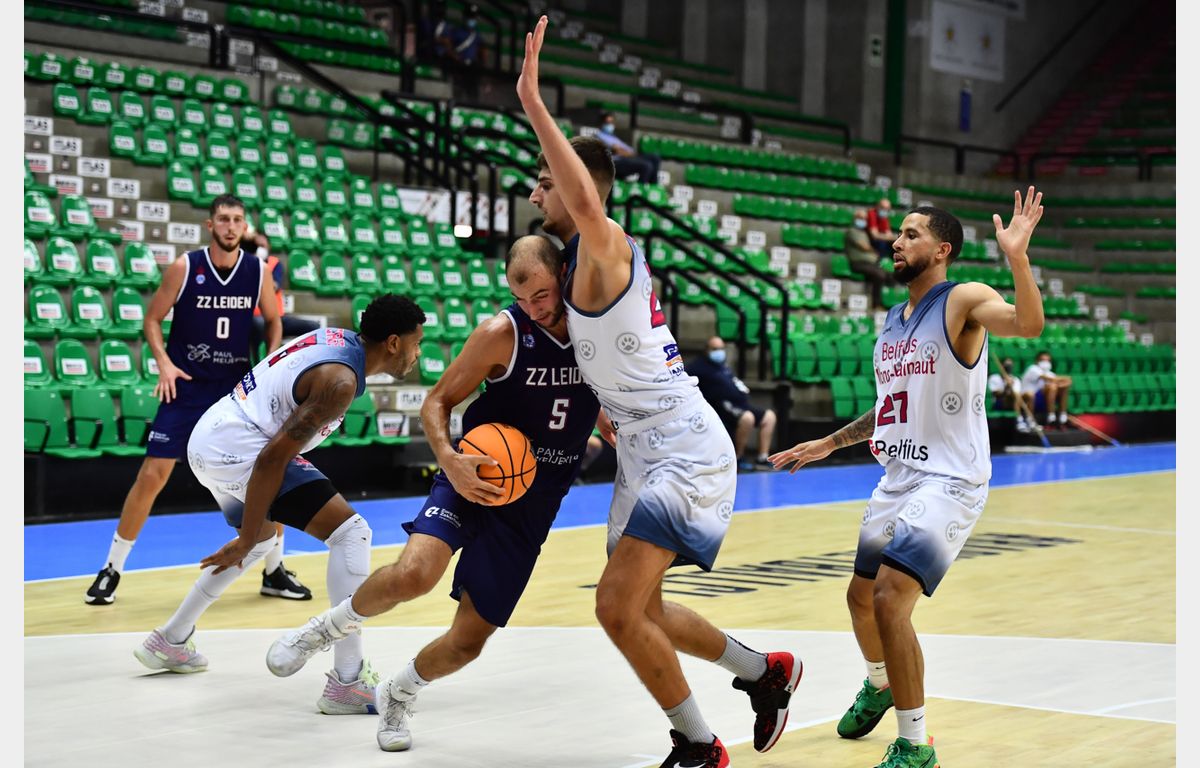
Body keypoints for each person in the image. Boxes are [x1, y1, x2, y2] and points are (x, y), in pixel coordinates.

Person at [519, 17, 801, 766]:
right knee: (640, 607)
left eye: (544, 179)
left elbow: (584, 201)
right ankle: (764, 673)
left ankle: (699, 746)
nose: (535, 189)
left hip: (682, 441)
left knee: (614, 606)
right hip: (641, 444)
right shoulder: (579, 263)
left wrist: (534, 103)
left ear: (578, 187)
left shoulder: (604, 243)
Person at [264, 236, 601, 752]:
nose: (535, 308)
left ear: (563, 277)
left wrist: (608, 415)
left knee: (468, 641)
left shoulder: (595, 329)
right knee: (415, 574)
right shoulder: (501, 333)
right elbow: (436, 402)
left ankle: (398, 692)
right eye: (522, 298)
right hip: (473, 472)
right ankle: (326, 629)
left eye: (542, 295)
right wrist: (450, 460)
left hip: (533, 500)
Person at [770, 189, 1047, 768]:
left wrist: (1017, 258)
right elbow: (890, 406)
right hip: (899, 475)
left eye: (911, 234)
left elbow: (1027, 324)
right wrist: (829, 443)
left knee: (890, 598)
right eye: (897, 233)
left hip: (950, 478)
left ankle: (915, 745)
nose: (896, 242)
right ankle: (880, 683)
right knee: (859, 599)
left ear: (942, 250)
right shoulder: (892, 324)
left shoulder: (963, 299)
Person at [132, 295, 426, 718]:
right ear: (394, 343)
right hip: (241, 449)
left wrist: (253, 536)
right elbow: (271, 459)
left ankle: (170, 639)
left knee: (259, 540)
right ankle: (347, 682)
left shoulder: (337, 340)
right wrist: (249, 535)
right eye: (417, 344)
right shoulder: (340, 382)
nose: (418, 354)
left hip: (212, 437)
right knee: (351, 533)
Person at [84, 194, 311, 606]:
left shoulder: (257, 271)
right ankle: (111, 568)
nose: (230, 226)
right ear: (210, 225)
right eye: (223, 219)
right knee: (152, 475)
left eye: (237, 220)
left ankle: (274, 570)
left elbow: (273, 320)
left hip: (235, 390)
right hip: (187, 385)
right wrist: (164, 364)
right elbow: (152, 319)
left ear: (244, 227)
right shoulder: (185, 267)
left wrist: (270, 363)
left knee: (269, 471)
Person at [685, 336, 777, 472]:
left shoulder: (723, 366)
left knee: (769, 417)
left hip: (740, 404)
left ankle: (762, 458)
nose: (719, 352)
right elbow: (685, 379)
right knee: (747, 418)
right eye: (715, 349)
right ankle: (738, 458)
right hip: (722, 405)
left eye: (721, 348)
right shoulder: (699, 367)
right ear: (706, 350)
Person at [245, 229, 320, 356]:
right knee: (258, 325)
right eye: (257, 246)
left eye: (262, 246)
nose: (260, 249)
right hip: (254, 317)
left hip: (277, 317)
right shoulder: (245, 264)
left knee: (313, 327)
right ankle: (259, 363)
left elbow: (274, 286)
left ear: (268, 246)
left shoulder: (274, 263)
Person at [847, 207, 897, 309]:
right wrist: (874, 251)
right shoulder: (852, 231)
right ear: (855, 218)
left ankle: (892, 302)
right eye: (860, 218)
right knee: (879, 274)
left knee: (891, 273)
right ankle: (876, 304)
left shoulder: (864, 232)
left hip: (871, 263)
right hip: (858, 263)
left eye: (864, 219)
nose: (863, 221)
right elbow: (863, 246)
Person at [596, 111, 662, 185]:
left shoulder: (614, 137)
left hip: (627, 158)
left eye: (611, 122)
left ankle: (654, 186)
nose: (610, 125)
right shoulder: (600, 136)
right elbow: (617, 150)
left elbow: (629, 150)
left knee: (654, 157)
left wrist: (629, 153)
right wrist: (629, 154)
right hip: (616, 162)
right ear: (602, 123)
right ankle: (639, 188)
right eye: (607, 122)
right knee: (647, 165)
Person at [1020, 349, 1072, 428]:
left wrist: (1066, 382)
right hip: (1029, 398)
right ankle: (1051, 417)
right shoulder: (1033, 369)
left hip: (1044, 400)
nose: (1045, 362)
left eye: (1048, 360)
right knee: (1052, 387)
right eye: (1043, 360)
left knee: (1062, 388)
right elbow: (1052, 379)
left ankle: (1063, 415)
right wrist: (1067, 378)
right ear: (1037, 361)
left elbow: (1064, 383)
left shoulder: (1050, 373)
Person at [987, 356, 1031, 432]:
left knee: (1028, 394)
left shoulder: (1015, 379)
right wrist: (1007, 387)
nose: (1009, 366)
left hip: (1015, 402)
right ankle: (1019, 420)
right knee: (1016, 395)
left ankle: (1029, 419)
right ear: (1002, 366)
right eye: (1007, 364)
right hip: (1000, 402)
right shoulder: (994, 378)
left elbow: (1018, 394)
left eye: (1010, 364)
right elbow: (996, 394)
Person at [867, 197, 895, 264]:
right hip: (868, 240)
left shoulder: (884, 217)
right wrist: (890, 237)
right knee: (882, 243)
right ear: (877, 206)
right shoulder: (872, 214)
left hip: (879, 241)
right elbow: (874, 235)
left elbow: (889, 234)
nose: (885, 210)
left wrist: (894, 238)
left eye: (887, 209)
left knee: (895, 244)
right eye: (883, 208)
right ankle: (881, 263)